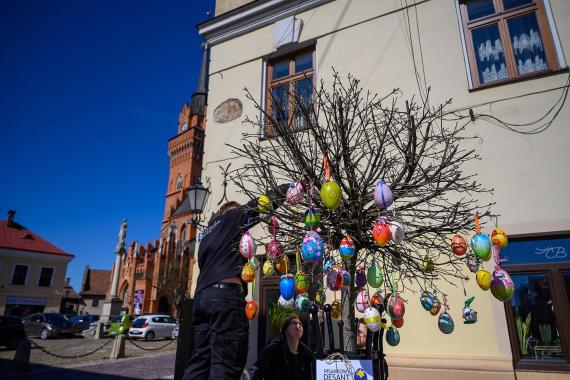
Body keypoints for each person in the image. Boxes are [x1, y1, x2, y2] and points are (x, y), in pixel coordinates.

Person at [184, 184, 290, 380]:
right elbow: (261, 205)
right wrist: (289, 188)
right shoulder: (232, 218)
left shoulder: (206, 235)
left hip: (202, 299)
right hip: (225, 299)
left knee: (199, 361)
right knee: (226, 363)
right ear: (231, 212)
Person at [250, 315, 315, 380]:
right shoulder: (273, 350)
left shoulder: (306, 355)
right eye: (294, 323)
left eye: (300, 324)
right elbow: (255, 372)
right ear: (285, 330)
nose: (298, 326)